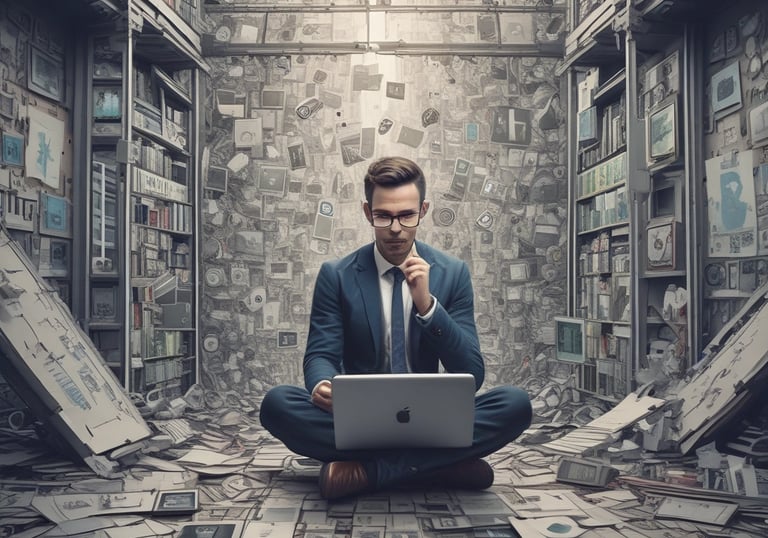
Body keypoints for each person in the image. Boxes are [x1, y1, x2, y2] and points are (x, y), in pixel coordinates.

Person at [259, 156, 532, 499]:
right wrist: (322, 384)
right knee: (277, 404)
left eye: (406, 215)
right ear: (367, 212)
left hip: (431, 420)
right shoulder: (337, 275)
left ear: (423, 210)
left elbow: (471, 374)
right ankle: (441, 466)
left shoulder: (453, 273)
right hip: (360, 420)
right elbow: (321, 354)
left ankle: (370, 472)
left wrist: (427, 306)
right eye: (383, 216)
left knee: (515, 404)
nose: (395, 228)